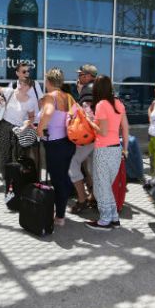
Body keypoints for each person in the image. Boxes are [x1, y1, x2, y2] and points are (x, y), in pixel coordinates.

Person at [84, 76, 129, 230]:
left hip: (103, 149)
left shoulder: (102, 104)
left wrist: (89, 121)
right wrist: (125, 149)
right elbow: (126, 128)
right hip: (116, 148)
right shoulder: (119, 103)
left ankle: (104, 220)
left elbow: (102, 131)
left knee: (100, 187)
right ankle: (114, 218)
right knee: (106, 186)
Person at [35, 68, 77, 227]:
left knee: (58, 180)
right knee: (63, 177)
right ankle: (61, 208)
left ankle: (59, 216)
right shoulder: (68, 97)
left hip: (55, 144)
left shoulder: (50, 97)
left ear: (49, 82)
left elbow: (48, 113)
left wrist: (40, 129)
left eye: (45, 81)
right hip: (69, 142)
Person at [0, 78, 39, 179]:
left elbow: (31, 117)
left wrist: (25, 126)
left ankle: (17, 180)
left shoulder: (30, 101)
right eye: (20, 83)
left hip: (19, 128)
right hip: (4, 125)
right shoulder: (9, 92)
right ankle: (7, 180)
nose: (21, 86)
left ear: (29, 88)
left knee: (18, 155)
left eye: (24, 85)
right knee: (5, 154)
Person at [68, 64, 98, 214]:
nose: (78, 77)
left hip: (91, 136)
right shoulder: (103, 88)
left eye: (80, 75)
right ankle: (94, 198)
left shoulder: (87, 89)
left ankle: (82, 199)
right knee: (94, 168)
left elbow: (87, 115)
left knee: (73, 163)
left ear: (87, 76)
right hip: (104, 137)